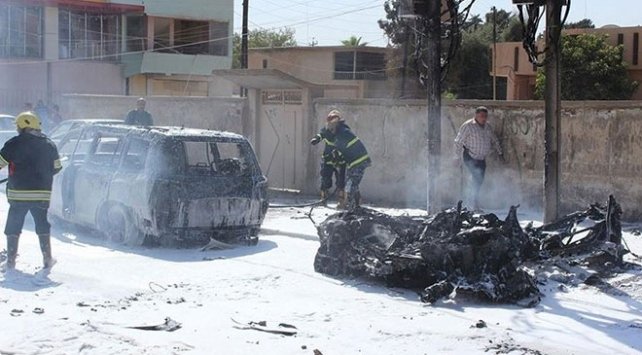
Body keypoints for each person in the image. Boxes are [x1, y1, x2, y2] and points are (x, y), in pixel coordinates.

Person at [0, 112, 62, 272]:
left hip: (18, 193)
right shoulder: (49, 144)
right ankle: (47, 259)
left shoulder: (13, 143)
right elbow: (56, 168)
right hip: (42, 194)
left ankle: (11, 262)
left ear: (21, 127)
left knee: (14, 225)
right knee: (42, 224)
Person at [454, 106, 504, 209]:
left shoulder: (487, 127)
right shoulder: (468, 126)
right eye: (481, 116)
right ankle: (471, 203)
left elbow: (494, 140)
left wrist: (500, 153)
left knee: (479, 180)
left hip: (481, 158)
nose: (484, 118)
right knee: (475, 179)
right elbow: (458, 142)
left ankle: (472, 202)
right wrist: (456, 157)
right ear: (476, 115)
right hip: (470, 156)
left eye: (485, 116)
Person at [325, 110, 371, 210]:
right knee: (351, 183)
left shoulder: (342, 132)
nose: (329, 126)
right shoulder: (341, 131)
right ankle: (356, 205)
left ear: (336, 122)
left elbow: (339, 148)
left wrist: (335, 156)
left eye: (331, 123)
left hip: (359, 162)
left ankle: (351, 209)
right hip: (353, 163)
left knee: (350, 186)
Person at [310, 126, 347, 208]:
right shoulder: (327, 130)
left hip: (340, 161)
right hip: (328, 160)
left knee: (341, 181)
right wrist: (316, 139)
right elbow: (321, 135)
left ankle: (341, 201)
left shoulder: (344, 130)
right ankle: (323, 199)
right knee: (325, 179)